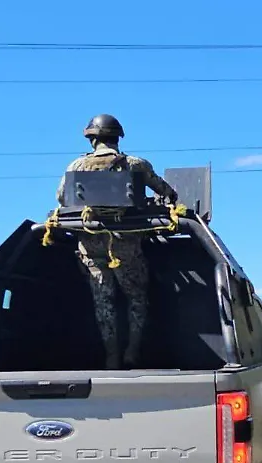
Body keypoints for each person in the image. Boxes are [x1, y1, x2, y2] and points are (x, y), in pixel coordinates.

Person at [57, 114, 178, 369]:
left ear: (92, 139)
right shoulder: (136, 164)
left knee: (104, 302)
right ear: (117, 137)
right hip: (125, 247)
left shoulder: (75, 166)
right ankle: (132, 351)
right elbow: (166, 192)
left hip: (90, 246)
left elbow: (61, 198)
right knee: (136, 298)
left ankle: (111, 355)